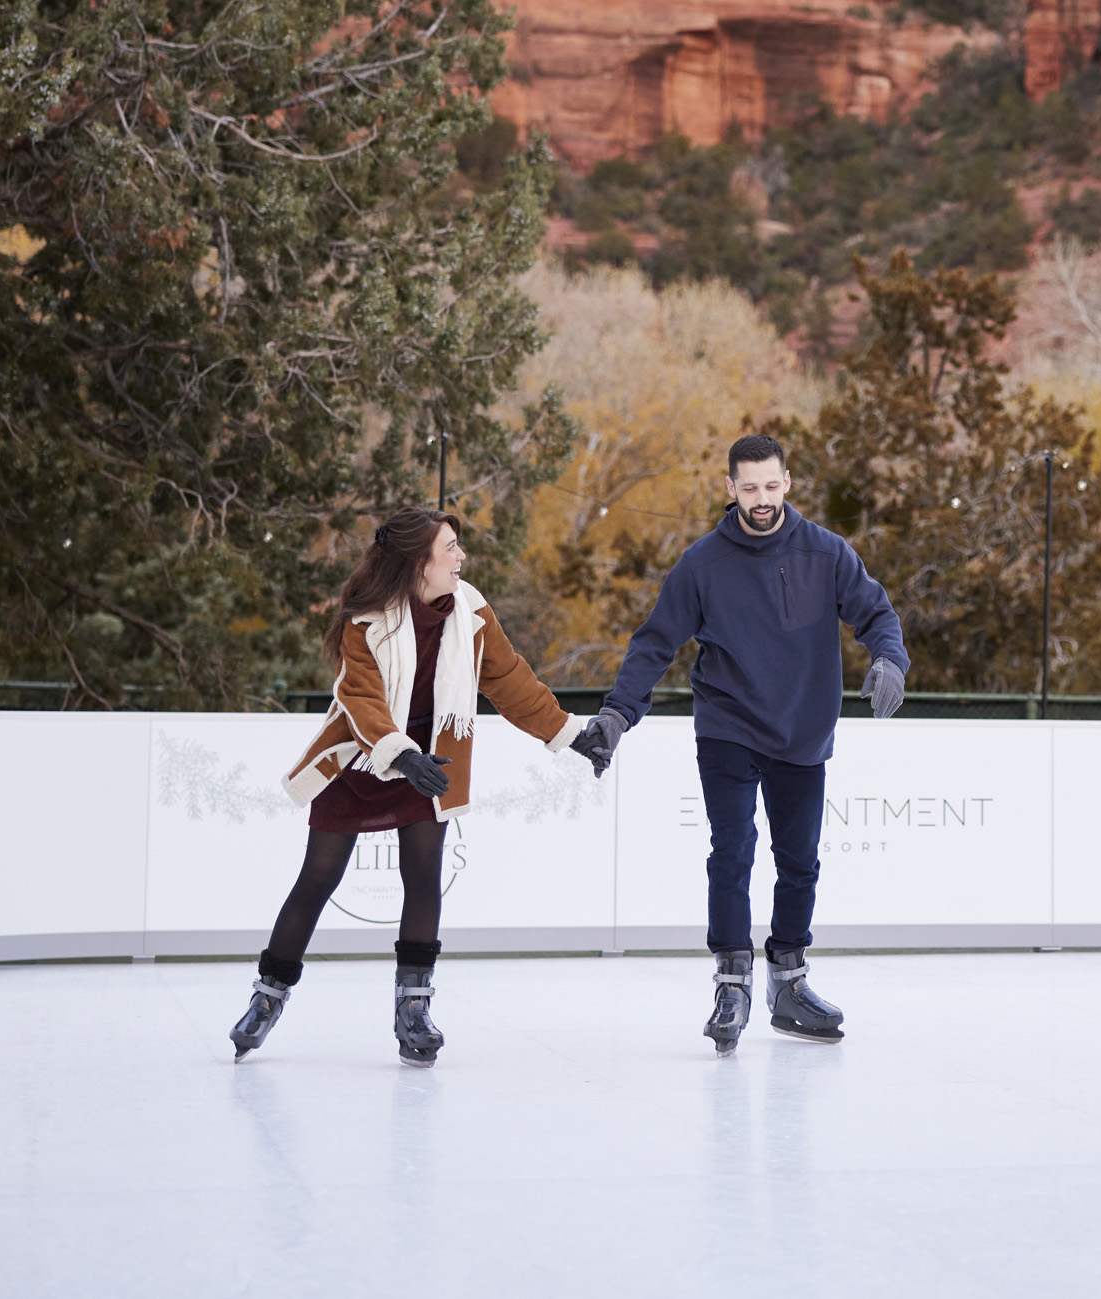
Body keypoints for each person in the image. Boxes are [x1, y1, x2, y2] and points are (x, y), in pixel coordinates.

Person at [228, 508, 610, 1065]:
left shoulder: (471, 610)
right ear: (418, 564)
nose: (461, 558)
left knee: (424, 876)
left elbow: (510, 681)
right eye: (450, 548)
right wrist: (398, 755)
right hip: (366, 755)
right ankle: (269, 996)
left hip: (430, 761)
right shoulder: (367, 620)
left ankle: (413, 1009)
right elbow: (360, 699)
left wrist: (568, 733)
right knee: (317, 878)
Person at [573, 434, 908, 1054]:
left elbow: (877, 613)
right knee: (732, 850)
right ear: (730, 489)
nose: (761, 499)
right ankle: (732, 982)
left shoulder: (825, 553)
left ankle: (789, 984)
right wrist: (619, 714)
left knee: (799, 861)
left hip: (802, 729)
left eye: (771, 486)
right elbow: (654, 644)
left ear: (788, 483)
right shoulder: (702, 565)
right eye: (749, 488)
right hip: (727, 725)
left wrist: (890, 659)